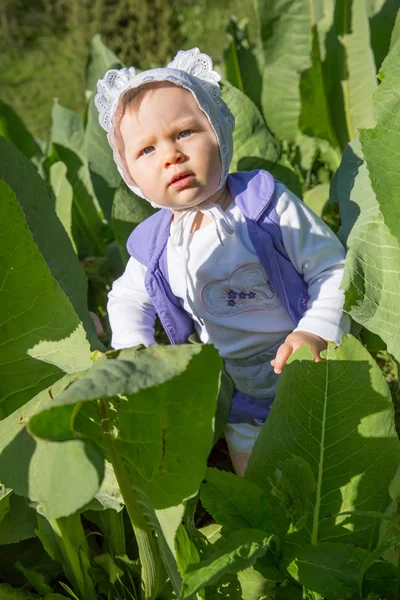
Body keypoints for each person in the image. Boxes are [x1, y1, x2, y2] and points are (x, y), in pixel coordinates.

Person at [95, 48, 350, 476]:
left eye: (184, 134)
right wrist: (136, 353)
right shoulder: (156, 243)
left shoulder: (264, 206)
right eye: (146, 151)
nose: (170, 156)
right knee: (253, 470)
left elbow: (331, 267)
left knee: (337, 448)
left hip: (311, 364)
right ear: (130, 176)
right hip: (239, 384)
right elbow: (125, 298)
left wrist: (316, 331)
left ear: (219, 132)